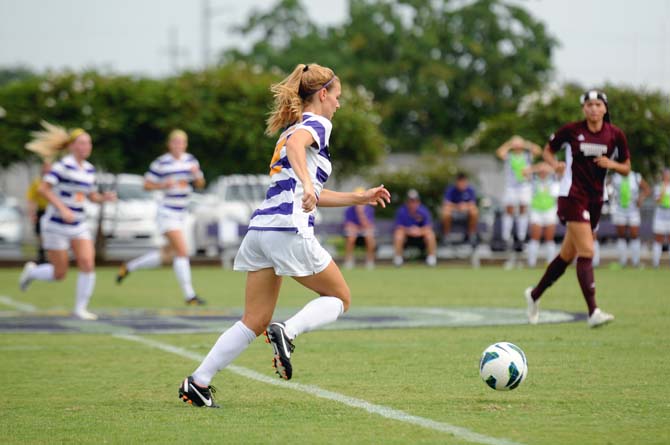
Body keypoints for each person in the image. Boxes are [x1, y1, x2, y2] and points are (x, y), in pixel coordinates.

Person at [178, 63, 390, 408]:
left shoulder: (290, 129)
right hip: (288, 230)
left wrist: (358, 197)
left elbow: (310, 185)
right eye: (337, 97)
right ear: (323, 95)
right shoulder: (316, 124)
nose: (338, 104)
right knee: (340, 299)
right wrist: (308, 184)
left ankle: (198, 382)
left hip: (261, 230)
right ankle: (288, 332)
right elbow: (299, 154)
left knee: (254, 320)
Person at [524, 90, 631, 328]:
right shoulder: (572, 130)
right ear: (584, 108)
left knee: (567, 256)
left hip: (595, 200)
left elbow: (626, 167)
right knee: (587, 251)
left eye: (598, 104)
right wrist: (555, 165)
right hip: (571, 196)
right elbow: (548, 150)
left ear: (605, 108)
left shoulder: (615, 134)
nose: (593, 108)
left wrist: (610, 163)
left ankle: (534, 295)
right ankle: (593, 312)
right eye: (589, 104)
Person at [19, 122, 116, 320]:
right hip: (55, 224)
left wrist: (103, 197)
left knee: (88, 263)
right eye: (81, 143)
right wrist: (62, 208)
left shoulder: (89, 170)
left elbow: (90, 196)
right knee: (59, 273)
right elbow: (43, 189)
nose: (86, 147)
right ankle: (32, 272)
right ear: (72, 146)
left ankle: (81, 308)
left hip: (78, 224)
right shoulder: (62, 166)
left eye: (88, 143)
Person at [115, 129, 206, 305]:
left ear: (185, 144)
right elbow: (146, 184)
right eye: (175, 142)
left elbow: (200, 184)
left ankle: (129, 267)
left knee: (167, 255)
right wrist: (163, 184)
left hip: (182, 213)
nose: (178, 146)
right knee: (182, 251)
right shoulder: (161, 163)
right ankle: (190, 295)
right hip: (167, 212)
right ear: (169, 144)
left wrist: (195, 175)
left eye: (181, 142)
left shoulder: (191, 160)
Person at [496, 136, 542, 249]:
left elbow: (538, 151)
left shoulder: (527, 155)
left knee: (523, 209)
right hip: (511, 187)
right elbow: (499, 153)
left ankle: (521, 238)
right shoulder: (509, 156)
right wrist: (510, 144)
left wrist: (525, 144)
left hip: (524, 187)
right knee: (509, 210)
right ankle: (506, 237)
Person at [609, 170, 651, 267]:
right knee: (621, 236)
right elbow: (607, 189)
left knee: (634, 235)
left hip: (633, 211)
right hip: (619, 210)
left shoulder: (636, 176)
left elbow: (647, 189)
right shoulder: (615, 177)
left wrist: (641, 198)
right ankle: (622, 262)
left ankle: (635, 262)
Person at [526, 162, 559, 267]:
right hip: (536, 210)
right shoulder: (533, 181)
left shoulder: (553, 180)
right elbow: (524, 172)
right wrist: (537, 167)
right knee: (535, 236)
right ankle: (531, 263)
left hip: (550, 210)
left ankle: (550, 263)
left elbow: (561, 171)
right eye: (542, 171)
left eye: (545, 171)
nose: (543, 172)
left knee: (549, 238)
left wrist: (548, 167)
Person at [393, 189, 437, 267]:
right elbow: (399, 227)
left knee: (430, 234)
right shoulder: (402, 211)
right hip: (407, 237)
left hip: (421, 237)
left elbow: (428, 226)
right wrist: (409, 231)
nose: (412, 204)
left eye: (414, 201)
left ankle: (431, 258)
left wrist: (419, 231)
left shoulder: (424, 211)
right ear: (407, 202)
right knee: (398, 234)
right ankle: (398, 259)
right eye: (410, 201)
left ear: (418, 202)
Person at [342, 187, 376, 269]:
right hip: (354, 234)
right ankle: (349, 261)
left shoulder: (369, 209)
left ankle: (370, 261)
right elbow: (348, 224)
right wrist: (356, 227)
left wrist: (361, 213)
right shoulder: (349, 209)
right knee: (351, 238)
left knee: (370, 238)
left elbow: (369, 225)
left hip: (364, 233)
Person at [441, 172, 478, 246]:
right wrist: (457, 206)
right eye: (460, 182)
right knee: (445, 212)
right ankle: (446, 235)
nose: (462, 184)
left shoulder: (470, 190)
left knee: (474, 211)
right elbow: (446, 203)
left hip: (466, 211)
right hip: (454, 211)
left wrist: (465, 206)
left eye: (464, 182)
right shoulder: (451, 190)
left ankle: (471, 234)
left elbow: (472, 203)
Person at [25, 161, 51, 263]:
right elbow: (31, 199)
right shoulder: (37, 183)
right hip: (42, 210)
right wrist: (32, 213)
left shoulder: (57, 183)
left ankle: (52, 258)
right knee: (40, 235)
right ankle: (42, 257)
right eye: (46, 168)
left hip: (53, 211)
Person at [652, 168, 670, 268]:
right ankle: (656, 263)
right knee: (658, 240)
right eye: (666, 175)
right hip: (660, 216)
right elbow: (658, 201)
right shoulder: (659, 187)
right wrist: (663, 189)